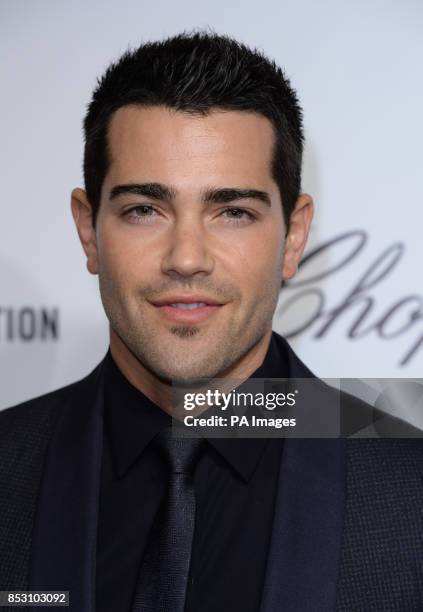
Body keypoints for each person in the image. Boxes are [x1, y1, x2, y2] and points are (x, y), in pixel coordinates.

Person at [1, 31, 422, 612]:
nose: (187, 258)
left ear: (294, 236)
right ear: (87, 229)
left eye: (233, 212)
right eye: (144, 210)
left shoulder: (411, 491)